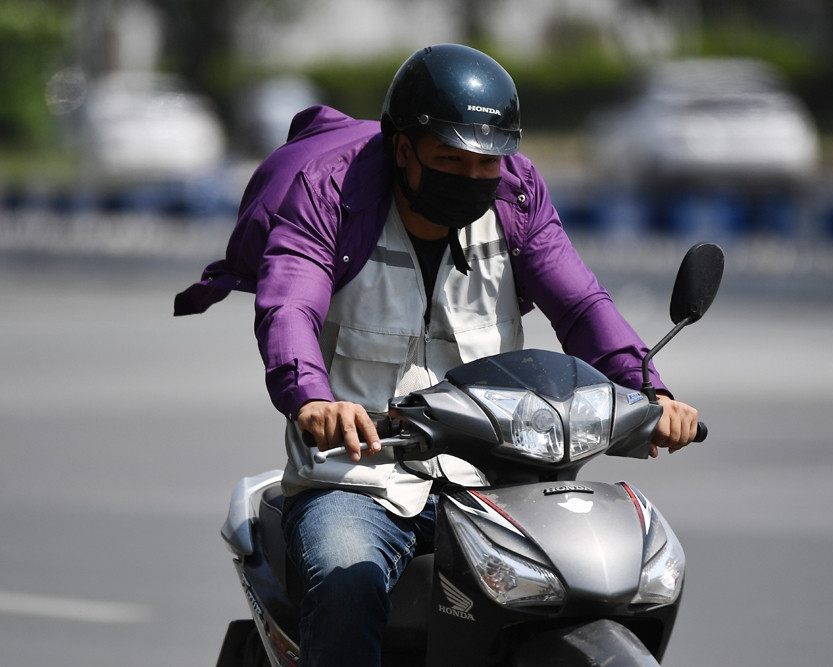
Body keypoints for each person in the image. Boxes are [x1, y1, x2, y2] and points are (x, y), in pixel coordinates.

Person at [176, 43, 699, 667]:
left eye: (489, 162)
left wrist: (651, 392)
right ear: (405, 150)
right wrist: (312, 398)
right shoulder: (330, 194)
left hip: (498, 475)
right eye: (453, 159)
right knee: (348, 580)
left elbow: (581, 305)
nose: (476, 176)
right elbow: (289, 304)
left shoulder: (516, 199)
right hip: (361, 480)